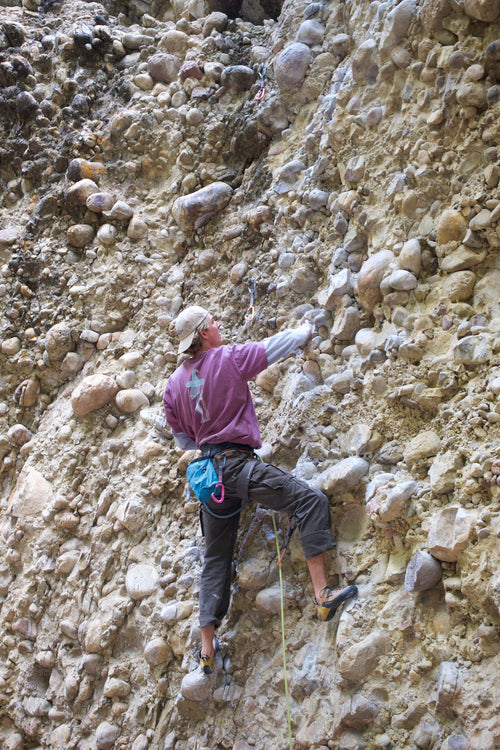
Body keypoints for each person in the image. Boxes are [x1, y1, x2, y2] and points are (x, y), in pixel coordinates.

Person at [163, 305, 357, 674]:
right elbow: (274, 347)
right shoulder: (228, 358)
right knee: (309, 500)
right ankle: (322, 595)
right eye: (213, 322)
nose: (219, 324)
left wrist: (208, 428)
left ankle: (206, 649)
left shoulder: (172, 385)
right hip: (239, 466)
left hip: (209, 479)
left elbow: (184, 440)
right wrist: (305, 330)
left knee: (215, 558)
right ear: (203, 332)